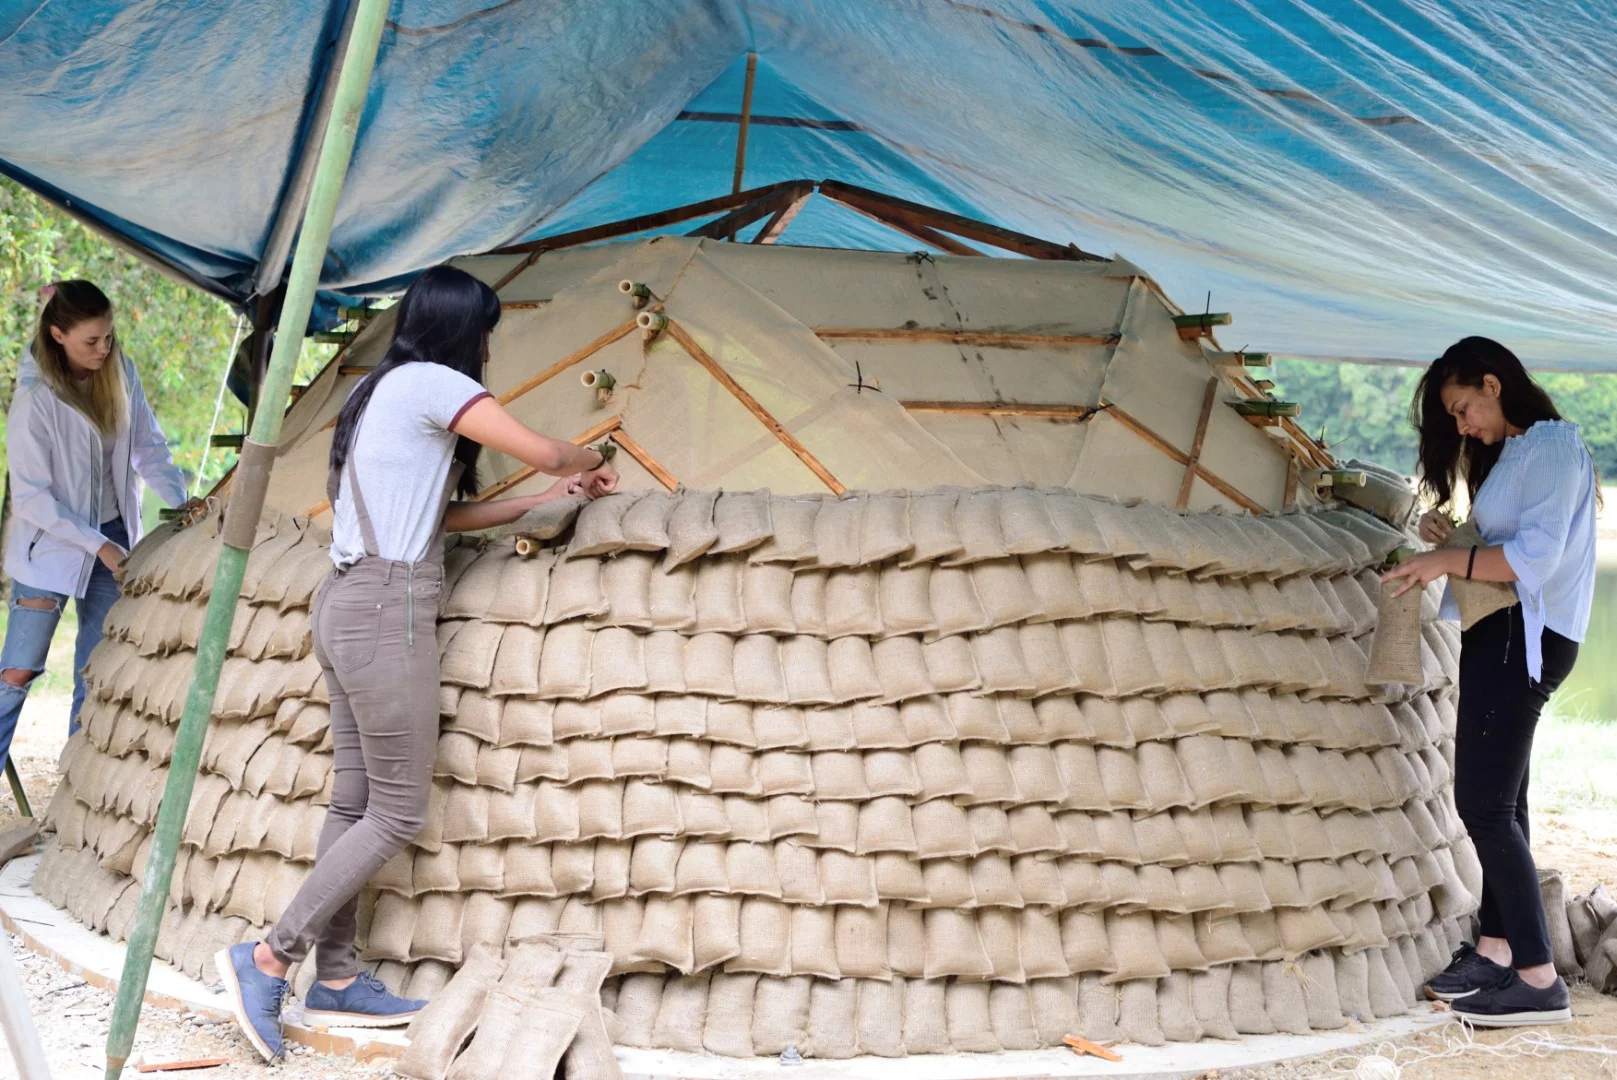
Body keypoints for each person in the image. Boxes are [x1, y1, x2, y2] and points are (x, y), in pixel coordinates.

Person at [215, 266, 618, 1062]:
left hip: (344, 603)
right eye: (487, 333)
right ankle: (268, 957)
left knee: (355, 799)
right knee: (397, 811)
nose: (489, 348)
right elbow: (539, 446)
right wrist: (589, 454)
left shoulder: (384, 389)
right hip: (387, 610)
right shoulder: (436, 382)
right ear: (465, 330)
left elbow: (441, 514)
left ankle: (336, 979)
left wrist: (536, 503)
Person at [1382, 336, 1597, 1027]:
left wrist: (1444, 560)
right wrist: (1452, 536)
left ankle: (1537, 979)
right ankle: (1498, 949)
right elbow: (1498, 547)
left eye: (1463, 407)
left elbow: (1533, 558)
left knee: (1482, 805)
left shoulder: (1554, 449)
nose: (1461, 425)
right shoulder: (1515, 455)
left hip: (1521, 639)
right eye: (1453, 416)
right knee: (1508, 799)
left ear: (1493, 384)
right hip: (1501, 634)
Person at [2, 281, 195, 770]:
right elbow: (29, 498)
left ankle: (74, 795)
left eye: (108, 337)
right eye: (91, 341)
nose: (103, 349)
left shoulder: (120, 372)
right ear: (57, 334)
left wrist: (181, 501)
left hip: (114, 536)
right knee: (16, 673)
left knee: (97, 673)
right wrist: (97, 544)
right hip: (47, 549)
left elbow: (149, 449)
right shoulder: (34, 399)